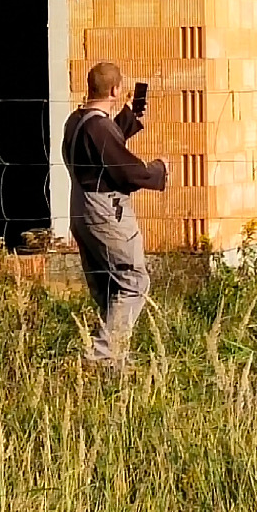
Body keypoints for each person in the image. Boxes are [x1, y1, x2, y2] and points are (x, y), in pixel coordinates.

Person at [63, 60, 167, 365]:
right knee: (133, 281)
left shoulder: (77, 120)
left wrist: (128, 119)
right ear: (115, 89)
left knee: (109, 287)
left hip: (80, 207)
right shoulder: (99, 127)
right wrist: (157, 170)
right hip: (105, 211)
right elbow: (126, 171)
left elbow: (101, 147)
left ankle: (110, 357)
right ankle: (103, 358)